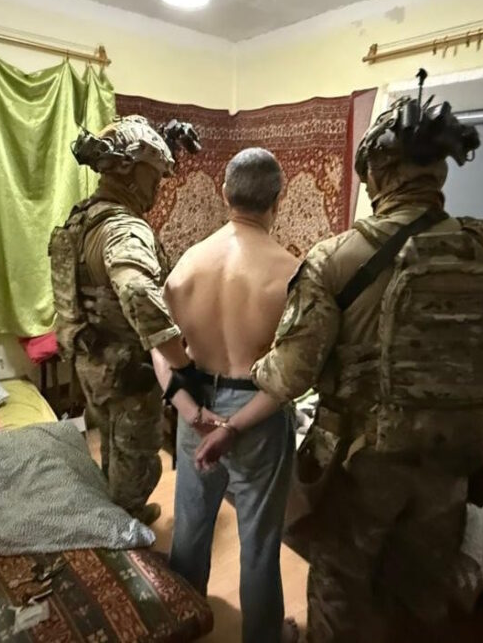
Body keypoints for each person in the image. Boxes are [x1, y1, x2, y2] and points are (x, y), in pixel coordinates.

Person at [194, 85, 483, 641]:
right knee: (420, 594)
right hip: (453, 461)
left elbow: (290, 375)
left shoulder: (337, 258)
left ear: (376, 174)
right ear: (439, 172)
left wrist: (244, 366)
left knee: (342, 588)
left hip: (363, 466)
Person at [153, 148, 300, 643]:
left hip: (195, 401)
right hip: (257, 410)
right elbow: (294, 372)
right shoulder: (290, 271)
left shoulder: (188, 264)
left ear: (224, 194)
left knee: (191, 531)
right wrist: (233, 425)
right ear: (277, 200)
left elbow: (159, 346)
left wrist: (192, 412)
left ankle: (184, 627)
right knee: (259, 540)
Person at [49, 115, 200, 525]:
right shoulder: (123, 229)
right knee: (136, 458)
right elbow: (135, 290)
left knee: (112, 443)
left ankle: (112, 504)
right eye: (154, 176)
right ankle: (125, 528)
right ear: (131, 172)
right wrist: (180, 361)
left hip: (92, 361)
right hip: (126, 370)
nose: (158, 187)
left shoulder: (84, 217)